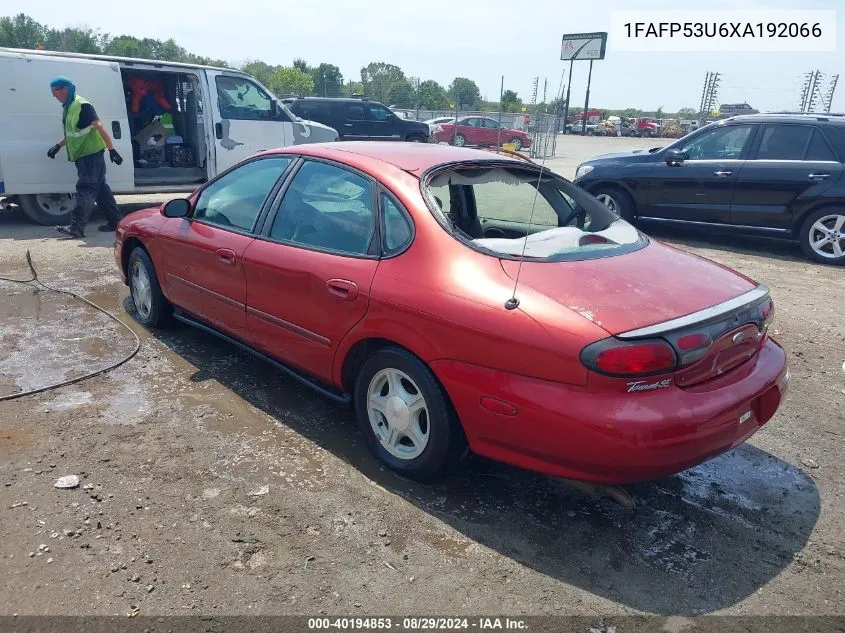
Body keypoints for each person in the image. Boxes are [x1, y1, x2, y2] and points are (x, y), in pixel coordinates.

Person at [47, 76, 124, 238]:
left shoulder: (82, 105)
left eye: (55, 92)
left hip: (91, 156)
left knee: (85, 189)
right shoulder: (69, 106)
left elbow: (99, 126)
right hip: (85, 156)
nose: (53, 96)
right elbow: (74, 133)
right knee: (101, 190)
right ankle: (116, 221)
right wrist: (57, 146)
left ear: (65, 89)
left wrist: (112, 150)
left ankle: (77, 227)